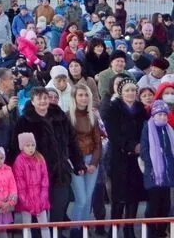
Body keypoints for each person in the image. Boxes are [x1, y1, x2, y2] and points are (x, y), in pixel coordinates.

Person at [12, 87, 85, 228]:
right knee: (37, 212)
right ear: (32, 101)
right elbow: (16, 147)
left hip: (59, 171)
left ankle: (56, 233)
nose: (43, 101)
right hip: (34, 175)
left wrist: (78, 163)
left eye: (45, 97)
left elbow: (72, 142)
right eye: (39, 98)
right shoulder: (24, 121)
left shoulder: (60, 117)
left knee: (59, 207)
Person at [103, 77, 146, 238]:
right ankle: (113, 229)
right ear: (121, 92)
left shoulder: (141, 109)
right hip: (119, 157)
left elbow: (145, 130)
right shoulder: (113, 109)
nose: (130, 93)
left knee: (133, 195)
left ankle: (129, 229)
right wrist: (131, 146)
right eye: (127, 90)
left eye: (133, 90)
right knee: (118, 196)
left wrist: (141, 146)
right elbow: (113, 133)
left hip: (137, 159)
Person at [67, 84, 101, 228]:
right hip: (76, 162)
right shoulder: (67, 116)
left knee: (88, 199)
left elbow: (98, 142)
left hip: (92, 159)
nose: (84, 98)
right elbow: (68, 144)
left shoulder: (92, 115)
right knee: (80, 199)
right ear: (74, 97)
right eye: (80, 95)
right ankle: (76, 230)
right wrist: (80, 163)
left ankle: (84, 229)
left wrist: (93, 163)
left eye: (86, 95)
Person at [140, 100, 174, 238]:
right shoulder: (147, 128)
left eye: (164, 115)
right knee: (153, 207)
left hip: (167, 174)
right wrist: (153, 164)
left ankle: (161, 233)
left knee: (165, 206)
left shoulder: (169, 130)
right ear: (153, 115)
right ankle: (150, 233)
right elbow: (144, 150)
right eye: (159, 115)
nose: (162, 117)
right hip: (153, 174)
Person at [12, 132, 50, 238]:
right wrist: (25, 201)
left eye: (33, 145)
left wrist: (43, 197)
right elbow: (20, 184)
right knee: (27, 225)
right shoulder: (19, 161)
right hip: (26, 201)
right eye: (27, 145)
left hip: (40, 198)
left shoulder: (40, 158)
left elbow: (45, 180)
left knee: (44, 225)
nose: (31, 148)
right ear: (22, 147)